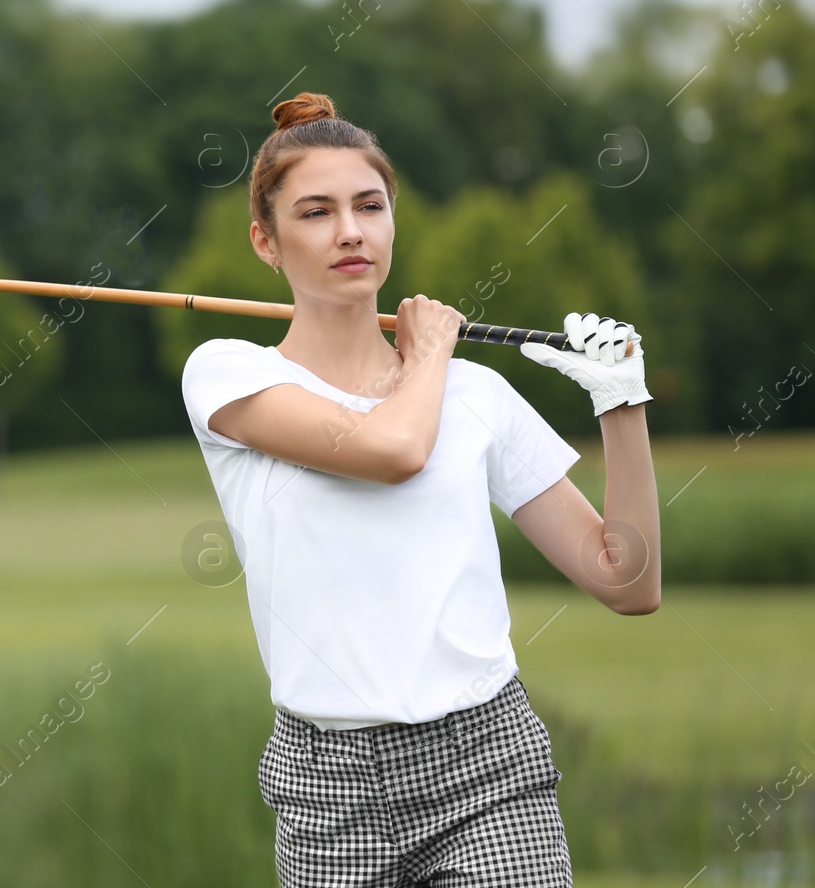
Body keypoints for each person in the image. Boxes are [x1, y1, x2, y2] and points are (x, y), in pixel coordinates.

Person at [179, 92, 661, 886]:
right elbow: (393, 447)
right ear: (265, 241)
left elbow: (627, 580)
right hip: (325, 788)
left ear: (393, 221)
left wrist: (621, 404)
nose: (350, 231)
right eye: (316, 212)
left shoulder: (476, 396)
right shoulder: (229, 374)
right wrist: (429, 350)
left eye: (370, 205)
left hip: (487, 770)